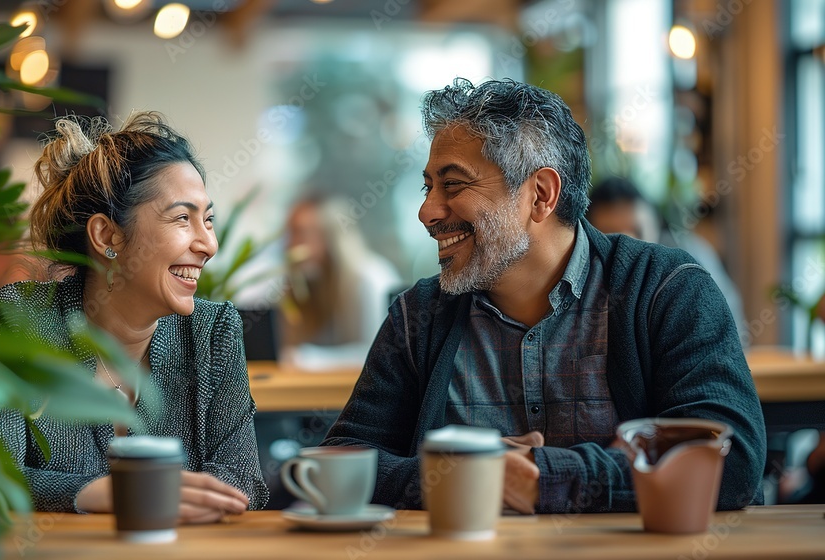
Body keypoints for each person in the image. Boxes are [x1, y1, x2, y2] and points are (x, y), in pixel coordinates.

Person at [321, 78, 766, 514]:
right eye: (428, 186)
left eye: (453, 184)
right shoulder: (418, 315)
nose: (427, 211)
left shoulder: (667, 290)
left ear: (541, 195)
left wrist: (545, 476)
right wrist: (467, 476)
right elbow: (340, 459)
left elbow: (732, 459)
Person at [0, 112, 268, 520]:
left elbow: (243, 479)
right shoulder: (16, 322)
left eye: (208, 220)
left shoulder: (212, 330)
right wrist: (93, 492)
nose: (209, 244)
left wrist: (158, 496)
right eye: (183, 218)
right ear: (107, 236)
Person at [586, 176, 748, 345]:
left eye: (638, 232)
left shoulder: (689, 260)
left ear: (656, 224)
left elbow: (729, 323)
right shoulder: (586, 283)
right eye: (614, 237)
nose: (629, 248)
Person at [279, 195, 402, 368]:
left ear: (330, 236)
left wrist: (306, 358)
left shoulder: (371, 280)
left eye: (301, 233)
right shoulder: (306, 284)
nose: (289, 245)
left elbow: (379, 355)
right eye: (289, 233)